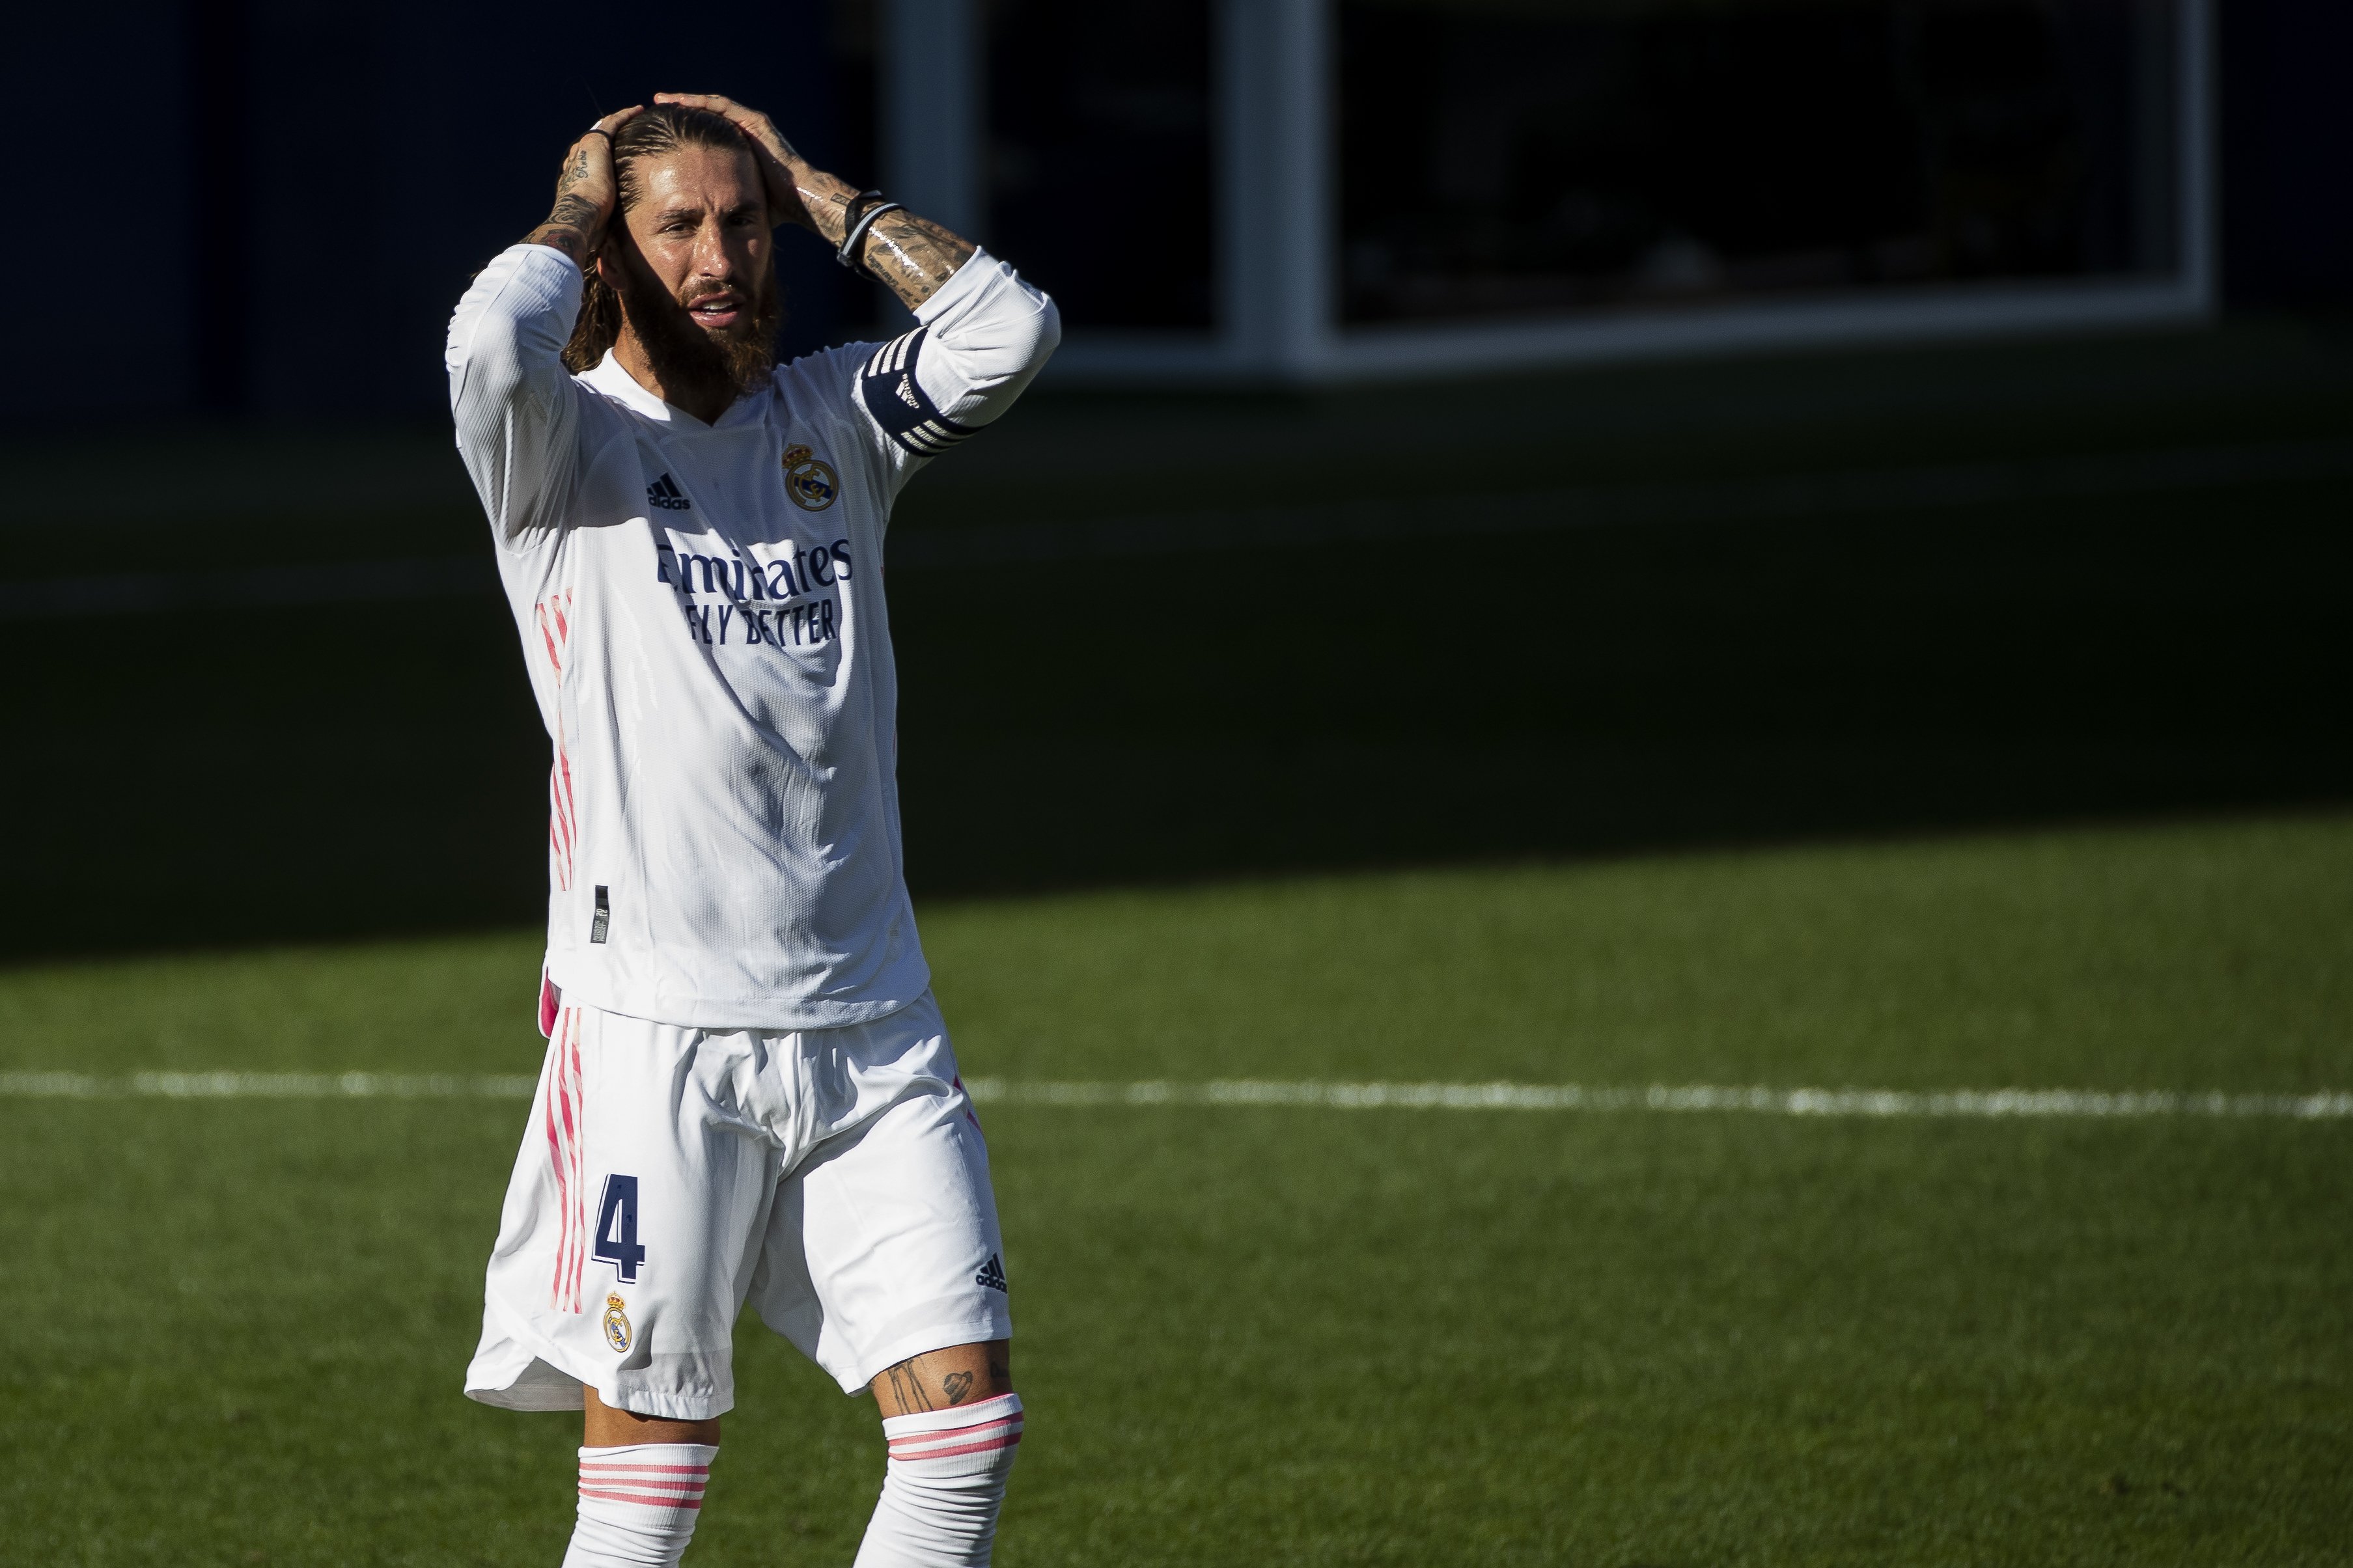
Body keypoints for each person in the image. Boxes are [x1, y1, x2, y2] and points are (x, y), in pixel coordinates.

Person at [446, 93, 1059, 1568]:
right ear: (611, 258)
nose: (723, 256)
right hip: (660, 1035)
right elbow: (486, 340)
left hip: (873, 1021)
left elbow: (1008, 331)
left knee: (963, 1429)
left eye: (741, 223)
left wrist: (815, 188)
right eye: (680, 228)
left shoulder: (834, 423)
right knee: (651, 1488)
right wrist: (580, 206)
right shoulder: (558, 451)